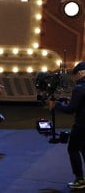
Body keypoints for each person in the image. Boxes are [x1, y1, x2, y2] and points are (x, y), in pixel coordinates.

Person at [49, 61, 85, 189]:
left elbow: (70, 110)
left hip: (81, 125)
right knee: (83, 148)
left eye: (76, 75)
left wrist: (57, 105)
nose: (75, 78)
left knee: (73, 149)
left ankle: (79, 179)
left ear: (81, 73)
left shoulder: (80, 88)